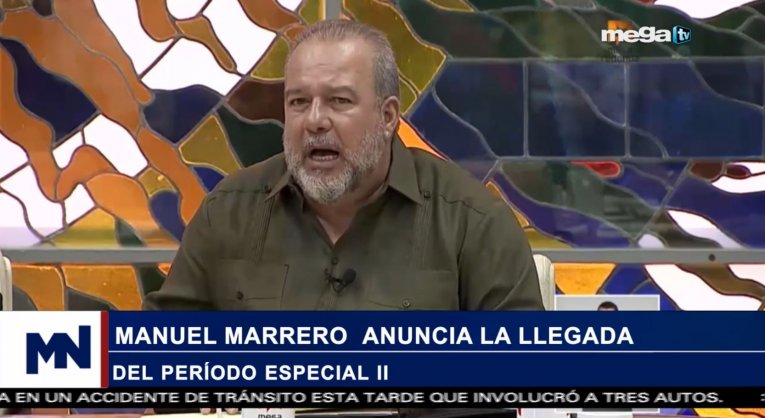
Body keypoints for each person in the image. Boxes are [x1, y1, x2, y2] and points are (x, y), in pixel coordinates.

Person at [143, 19, 543, 312]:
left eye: (339, 101)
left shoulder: (472, 223)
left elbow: (527, 371)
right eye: (299, 102)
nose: (315, 120)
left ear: (388, 117)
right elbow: (159, 357)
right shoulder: (228, 212)